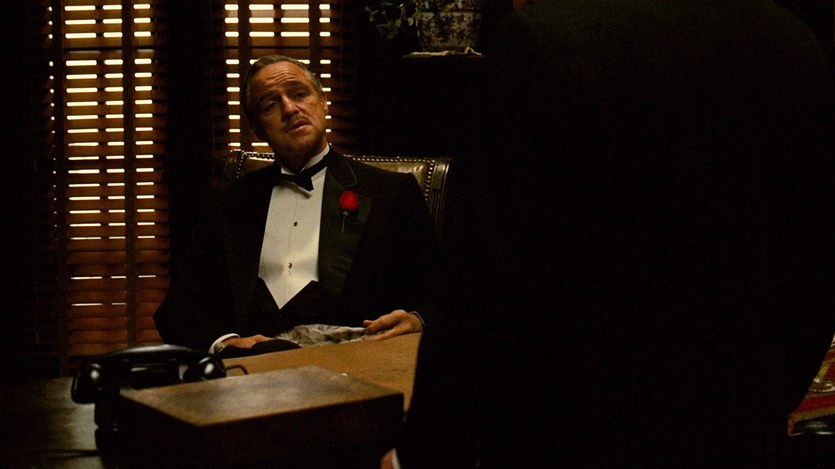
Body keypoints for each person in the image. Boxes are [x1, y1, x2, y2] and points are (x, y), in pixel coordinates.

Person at [392, 0, 835, 467]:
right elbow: (815, 260)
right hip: (741, 432)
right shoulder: (789, 38)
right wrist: (761, 401)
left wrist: (426, 452)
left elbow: (486, 286)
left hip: (576, 435)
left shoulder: (544, 42)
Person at [154, 55, 437, 356]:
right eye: (270, 105)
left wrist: (417, 320)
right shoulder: (226, 203)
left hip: (355, 369)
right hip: (250, 374)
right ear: (256, 129)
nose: (289, 109)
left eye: (299, 94)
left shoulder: (391, 194)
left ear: (323, 102)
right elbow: (178, 308)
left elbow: (445, 295)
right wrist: (227, 343)